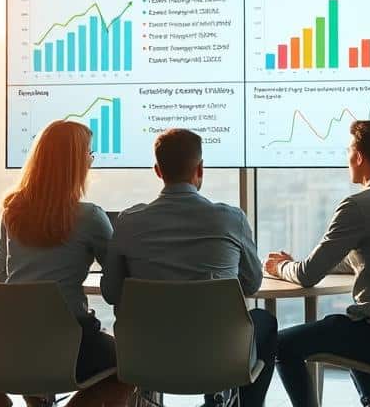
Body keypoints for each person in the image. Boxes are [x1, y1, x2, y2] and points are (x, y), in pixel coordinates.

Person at [264, 120, 370, 407]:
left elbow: (307, 276)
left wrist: (280, 267)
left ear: (358, 156)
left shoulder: (358, 205)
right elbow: (369, 257)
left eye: (348, 151)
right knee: (348, 323)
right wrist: (310, 263)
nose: (346, 157)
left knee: (282, 345)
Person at [101, 128, 277, 407]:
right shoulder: (231, 219)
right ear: (200, 169)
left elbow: (111, 293)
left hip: (146, 357)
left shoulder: (128, 222)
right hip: (219, 358)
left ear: (158, 171)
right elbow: (252, 284)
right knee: (265, 321)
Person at [0, 120, 130, 407]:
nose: (91, 161)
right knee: (133, 365)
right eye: (89, 154)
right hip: (69, 340)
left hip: (12, 339)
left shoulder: (12, 210)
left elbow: (3, 277)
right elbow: (116, 279)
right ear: (75, 163)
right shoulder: (89, 217)